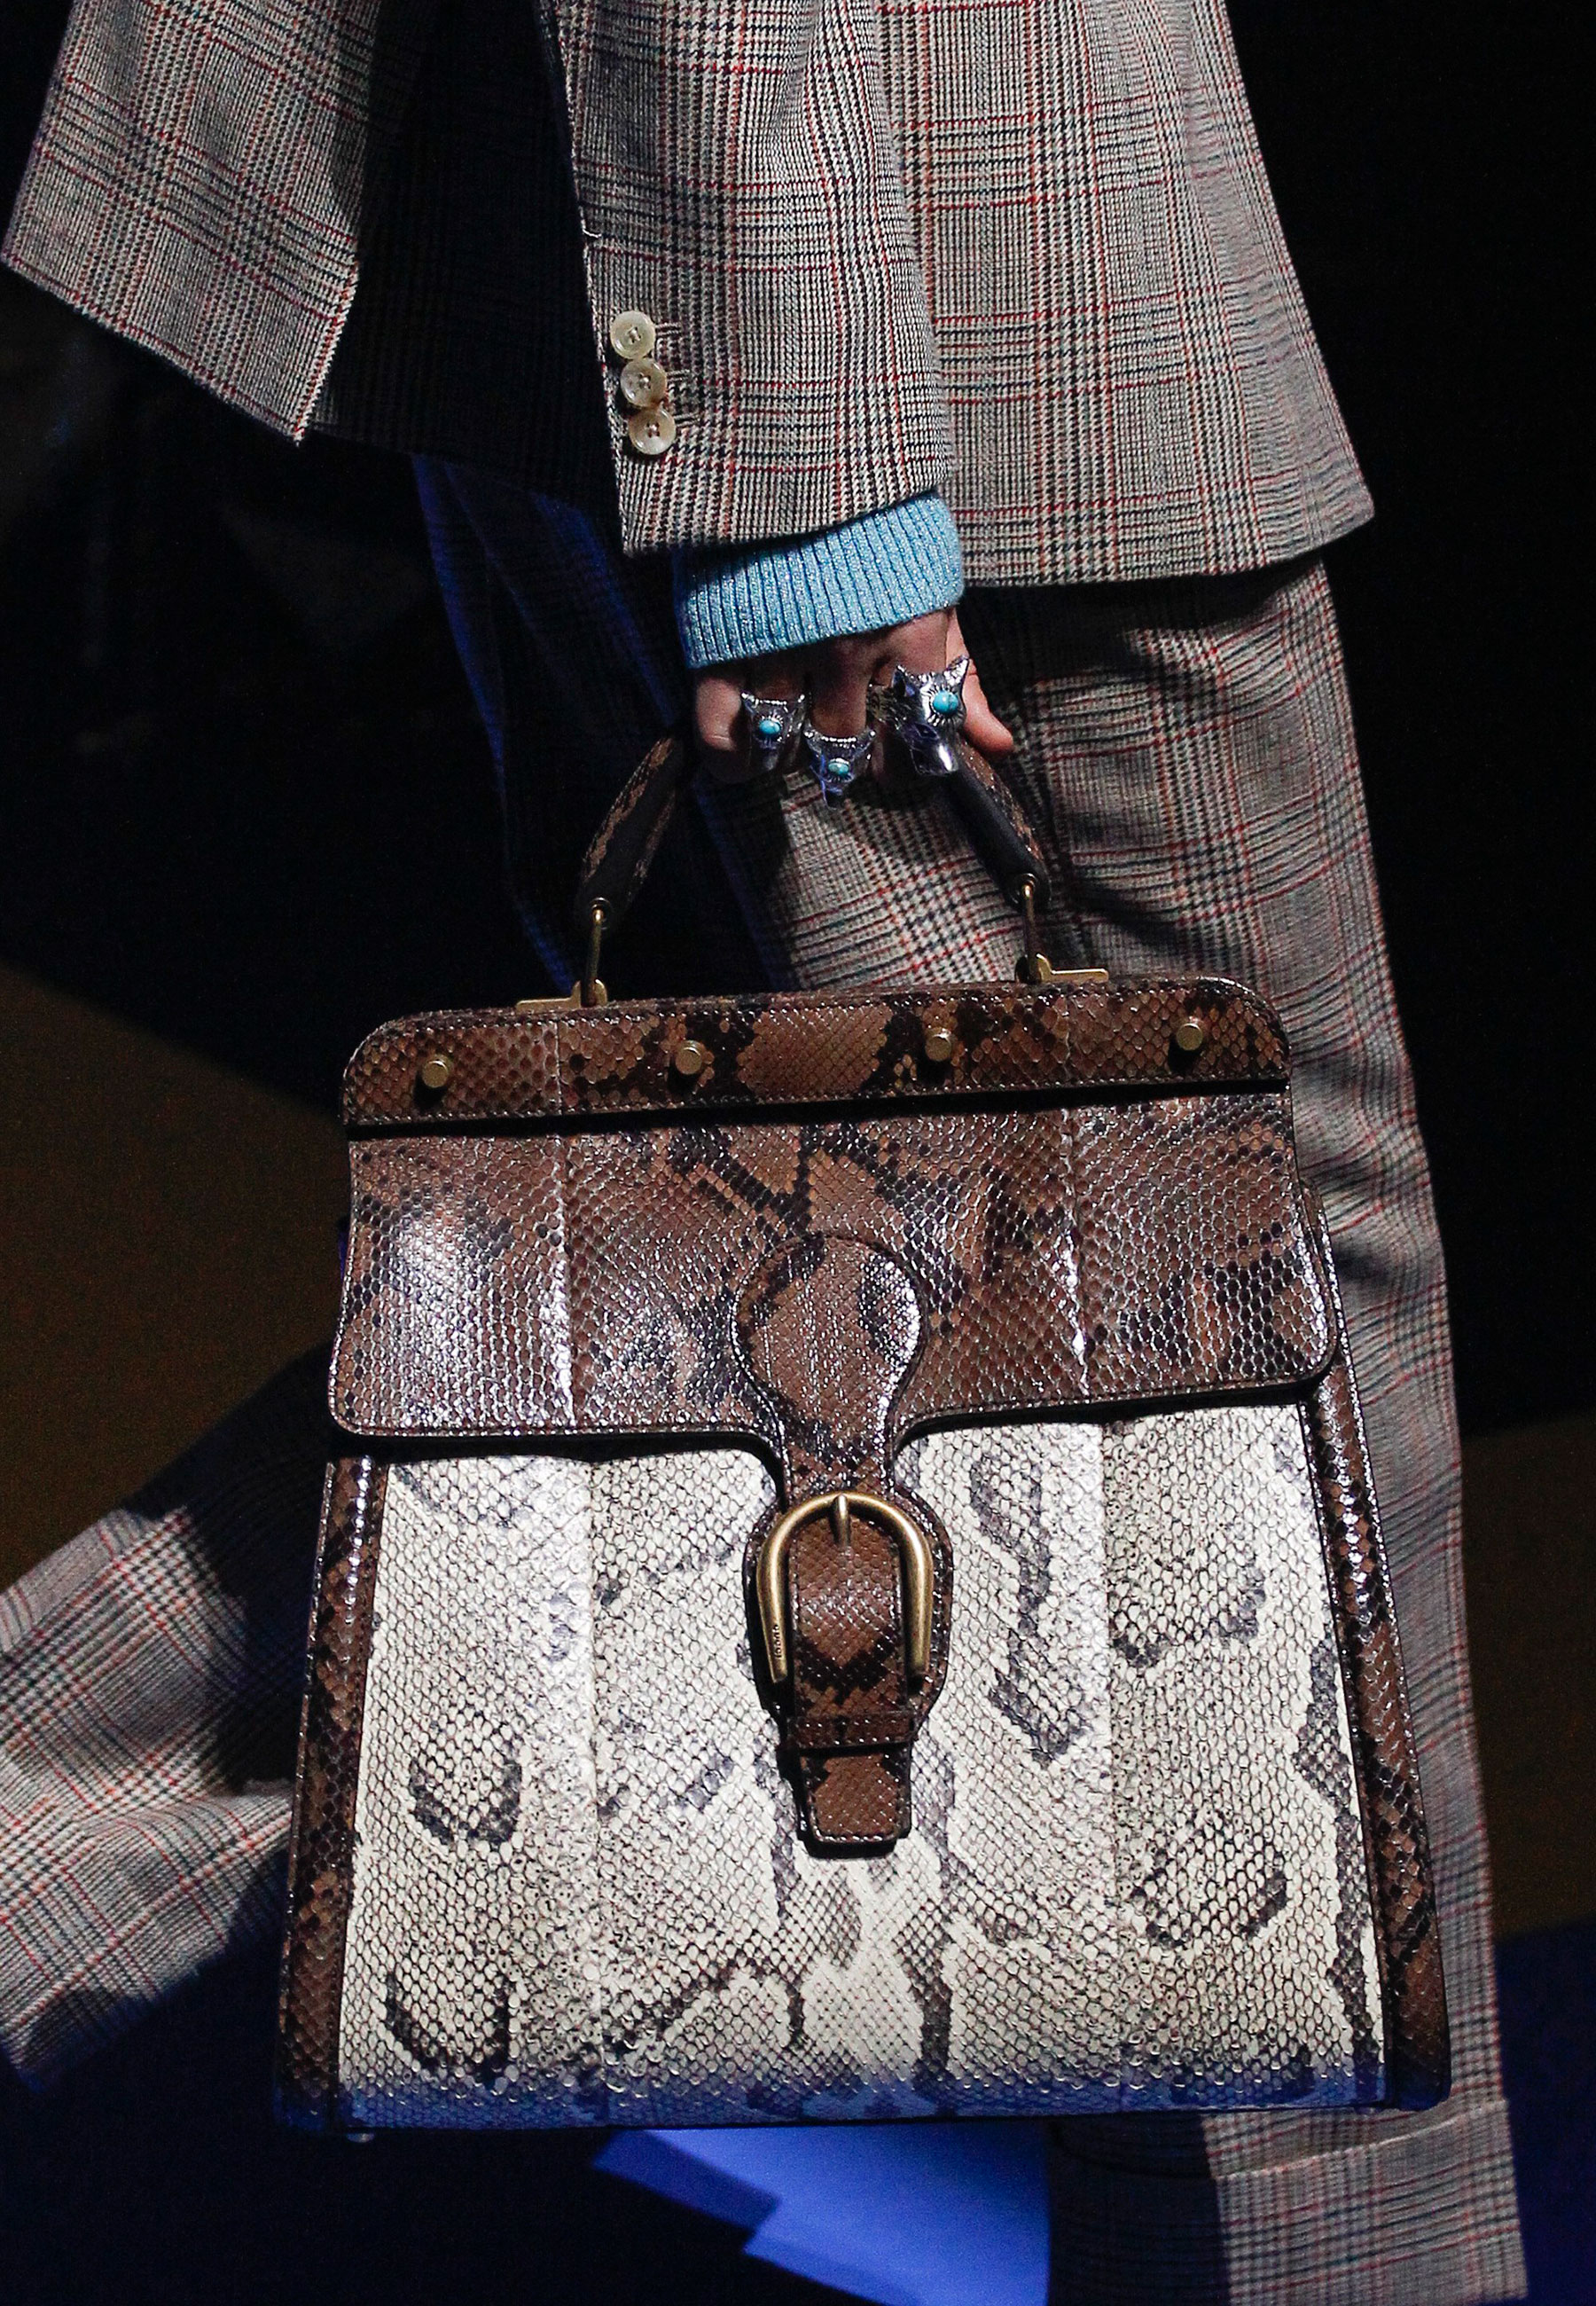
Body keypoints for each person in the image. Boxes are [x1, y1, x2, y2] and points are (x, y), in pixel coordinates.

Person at [0, 0, 1526, 2294]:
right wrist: (799, 481)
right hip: (926, 277)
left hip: (780, 257)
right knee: (1228, 1339)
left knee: (775, 1325)